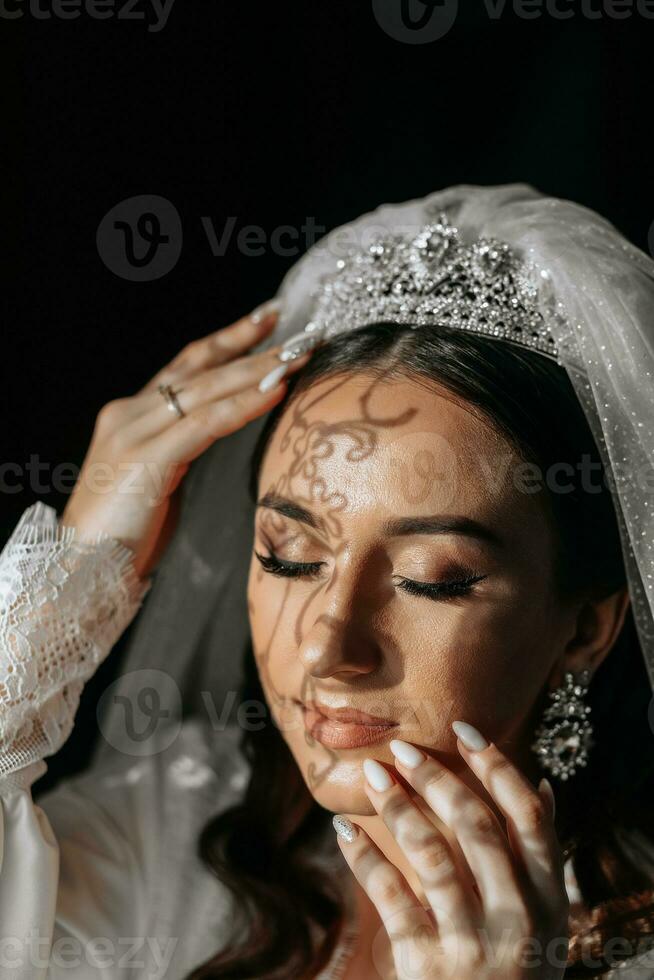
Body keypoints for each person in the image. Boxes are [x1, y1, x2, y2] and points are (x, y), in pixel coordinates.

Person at [1, 184, 654, 979]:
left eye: (431, 579)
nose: (327, 646)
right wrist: (70, 579)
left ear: (587, 626)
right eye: (288, 556)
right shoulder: (175, 826)